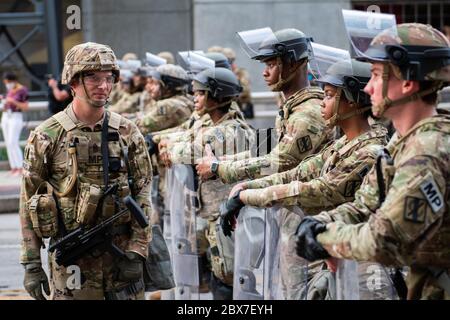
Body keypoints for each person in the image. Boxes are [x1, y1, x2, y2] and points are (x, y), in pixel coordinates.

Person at [295, 20, 450, 300]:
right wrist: (322, 221)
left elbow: (386, 241)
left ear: (407, 82)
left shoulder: (427, 152)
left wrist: (325, 238)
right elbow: (365, 204)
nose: (368, 88)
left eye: (377, 75)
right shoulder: (401, 141)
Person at [220, 54, 394, 300]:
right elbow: (296, 173)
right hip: (332, 254)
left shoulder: (369, 152)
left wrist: (248, 195)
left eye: (331, 95)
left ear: (354, 101)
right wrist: (246, 187)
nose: (323, 102)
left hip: (360, 268)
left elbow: (316, 189)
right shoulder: (343, 143)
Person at [19, 42, 153, 300]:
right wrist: (32, 264)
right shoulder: (47, 136)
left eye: (108, 78)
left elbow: (143, 191)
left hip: (121, 258)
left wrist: (137, 250)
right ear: (73, 81)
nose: (103, 86)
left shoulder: (127, 132)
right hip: (72, 264)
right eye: (92, 77)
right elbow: (28, 201)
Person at [160, 67, 255, 299]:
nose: (196, 98)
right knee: (219, 273)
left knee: (229, 278)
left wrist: (168, 146)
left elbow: (186, 150)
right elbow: (187, 139)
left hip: (227, 215)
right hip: (215, 213)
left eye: (201, 93)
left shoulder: (229, 131)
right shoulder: (214, 125)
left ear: (217, 96)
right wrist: (167, 142)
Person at [1, 72, 29, 176]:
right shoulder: (10, 91)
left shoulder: (22, 90)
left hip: (16, 116)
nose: (7, 84)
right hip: (6, 116)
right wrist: (4, 102)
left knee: (13, 142)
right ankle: (14, 167)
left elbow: (25, 107)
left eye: (8, 82)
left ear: (13, 80)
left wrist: (12, 101)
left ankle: (20, 167)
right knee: (8, 143)